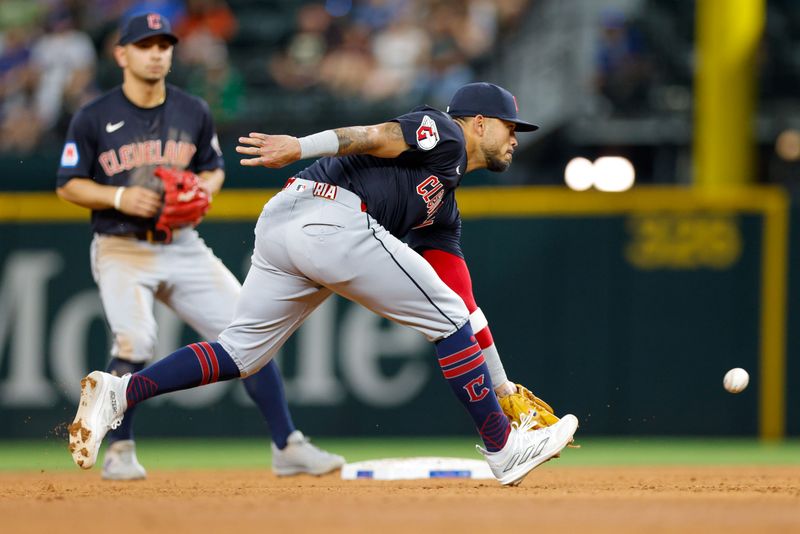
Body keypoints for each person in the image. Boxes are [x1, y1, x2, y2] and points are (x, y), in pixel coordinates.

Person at [67, 81, 579, 486]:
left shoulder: (442, 209)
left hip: (285, 222)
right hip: (329, 213)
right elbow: (376, 134)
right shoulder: (444, 131)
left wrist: (502, 384)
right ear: (480, 123)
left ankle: (121, 392)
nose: (516, 137)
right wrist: (300, 145)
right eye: (510, 126)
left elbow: (466, 306)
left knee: (242, 353)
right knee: (442, 317)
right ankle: (501, 448)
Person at [56, 13, 344, 481]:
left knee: (249, 332)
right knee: (136, 338)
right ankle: (120, 450)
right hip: (120, 245)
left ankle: (287, 445)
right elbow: (68, 184)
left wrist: (203, 189)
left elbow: (213, 167)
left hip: (182, 244)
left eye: (163, 46)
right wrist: (119, 196)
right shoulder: (93, 116)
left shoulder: (193, 110)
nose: (156, 53)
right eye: (145, 45)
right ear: (122, 54)